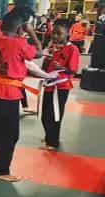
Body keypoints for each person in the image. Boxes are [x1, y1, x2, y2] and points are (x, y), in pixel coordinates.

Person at [0, 11, 39, 182]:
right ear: (20, 27)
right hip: (8, 93)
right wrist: (31, 32)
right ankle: (1, 170)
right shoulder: (19, 44)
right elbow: (38, 52)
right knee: (10, 134)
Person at [41, 19, 80, 150]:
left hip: (61, 86)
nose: (55, 36)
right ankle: (49, 135)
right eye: (53, 33)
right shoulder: (52, 47)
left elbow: (73, 70)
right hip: (48, 85)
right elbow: (44, 68)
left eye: (59, 33)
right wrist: (46, 61)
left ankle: (53, 141)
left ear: (67, 34)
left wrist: (62, 67)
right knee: (44, 114)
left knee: (55, 114)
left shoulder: (73, 49)